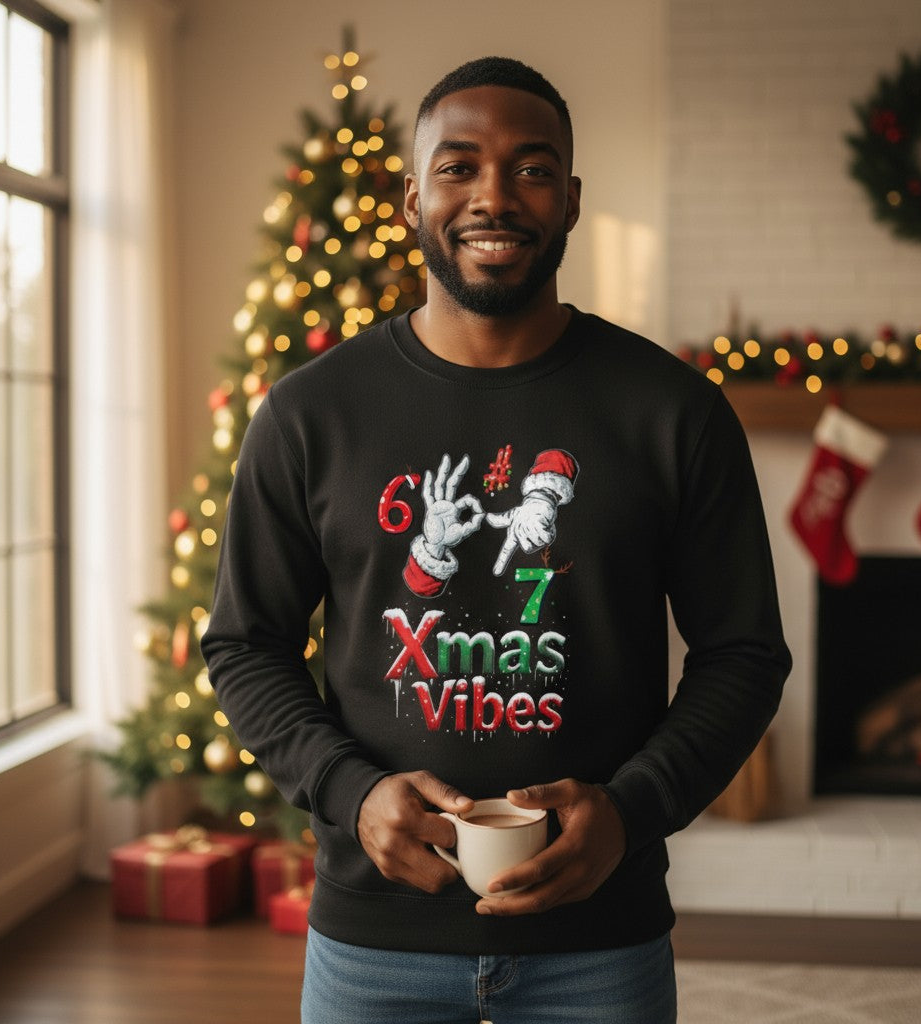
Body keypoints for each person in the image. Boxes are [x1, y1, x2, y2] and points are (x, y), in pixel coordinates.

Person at [202, 55, 791, 1024]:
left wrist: (630, 814)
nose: (493, 196)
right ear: (410, 198)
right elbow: (243, 643)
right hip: (373, 945)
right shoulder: (310, 415)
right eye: (459, 166)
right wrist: (351, 793)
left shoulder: (672, 413)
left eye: (531, 168)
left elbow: (743, 653)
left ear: (569, 200)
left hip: (599, 943)